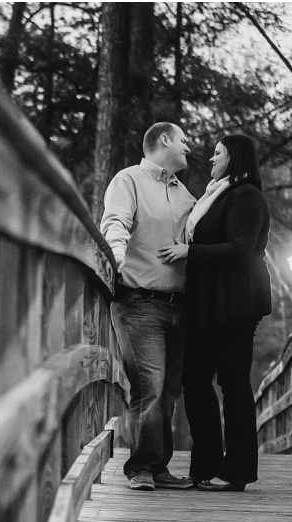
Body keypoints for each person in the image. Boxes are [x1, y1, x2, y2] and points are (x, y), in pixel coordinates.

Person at [157, 134, 272, 491]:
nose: (211, 158)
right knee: (194, 379)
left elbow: (240, 250)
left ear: (234, 159)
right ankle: (205, 465)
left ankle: (236, 470)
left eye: (218, 154)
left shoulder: (247, 196)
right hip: (207, 302)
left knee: (234, 383)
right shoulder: (215, 195)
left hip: (236, 302)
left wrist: (188, 253)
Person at [100, 122, 196, 491]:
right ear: (164, 140)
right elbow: (116, 221)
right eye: (183, 140)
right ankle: (140, 467)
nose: (189, 147)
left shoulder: (186, 194)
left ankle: (158, 467)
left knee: (170, 390)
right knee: (150, 387)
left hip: (180, 305)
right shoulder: (128, 180)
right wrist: (116, 255)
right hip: (139, 302)